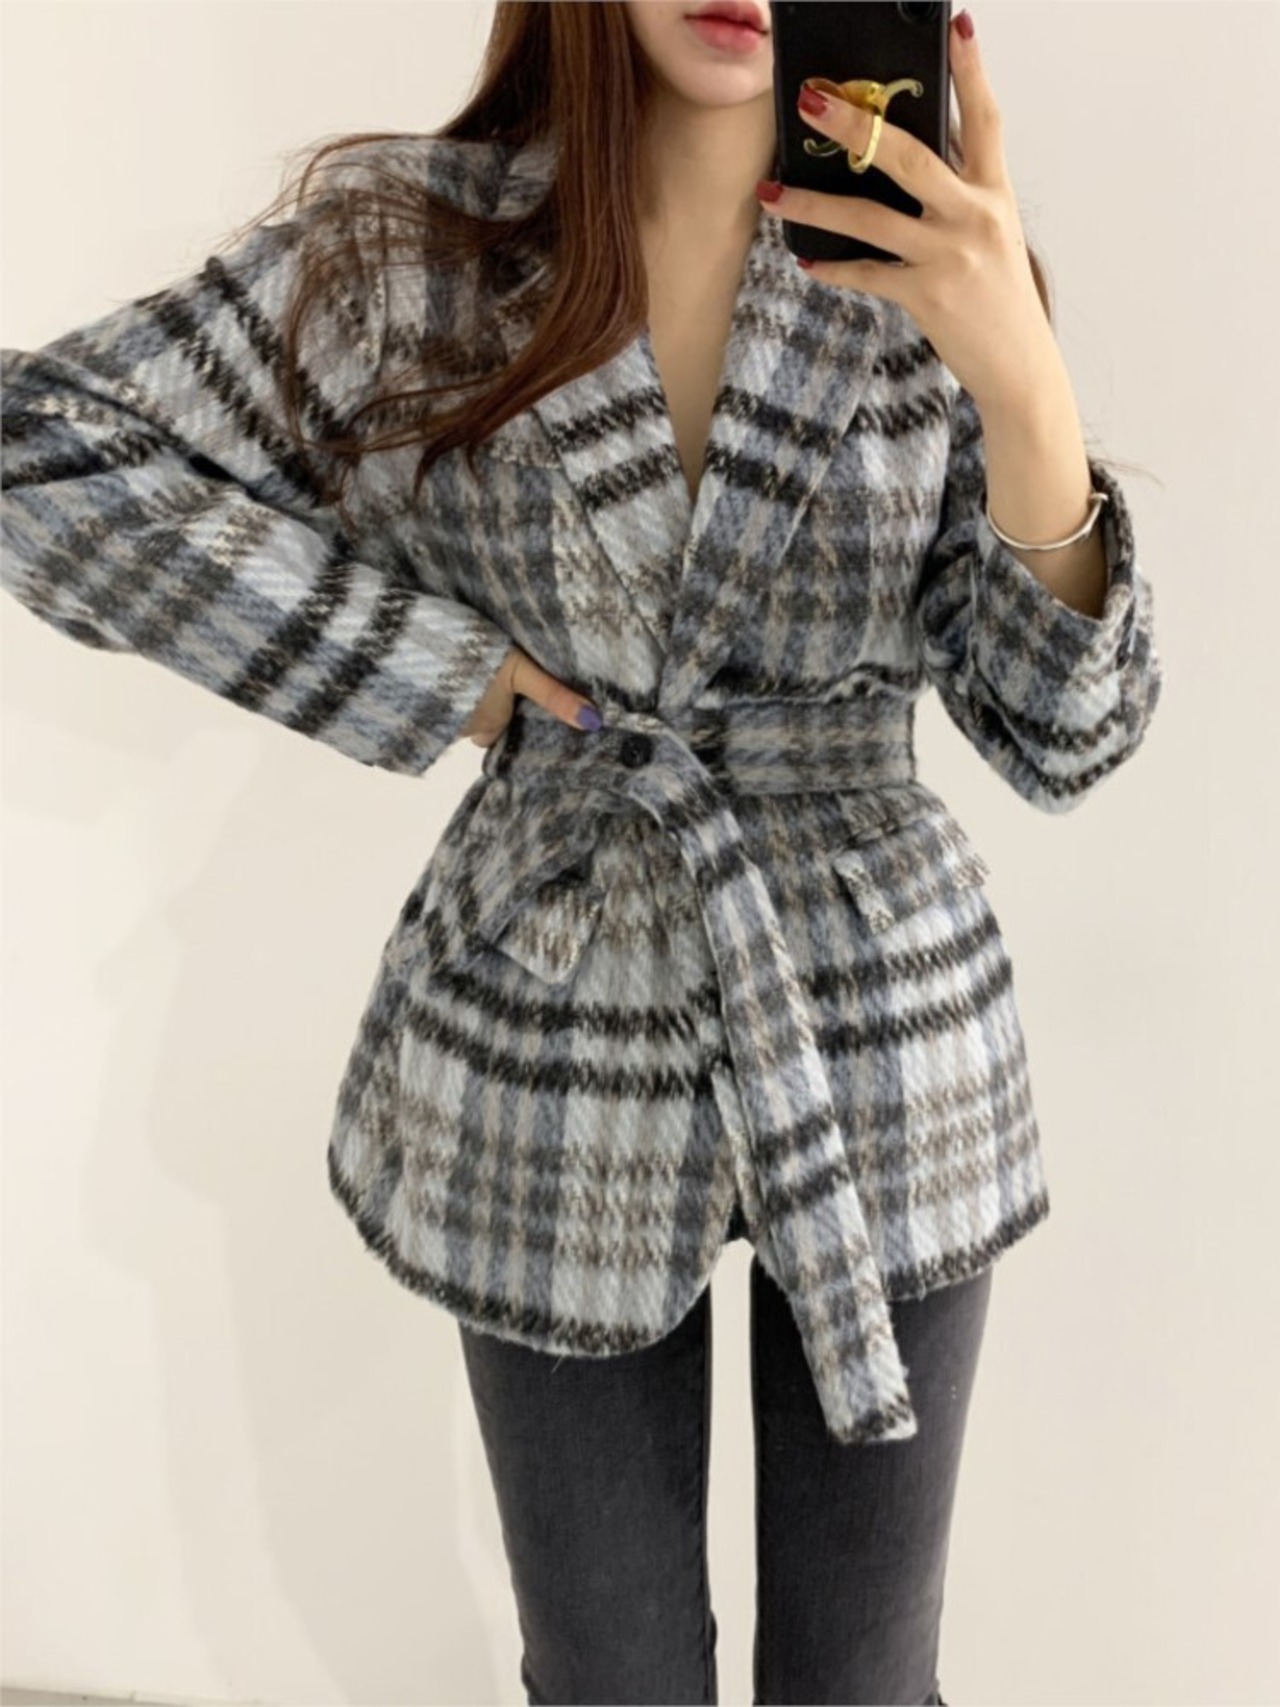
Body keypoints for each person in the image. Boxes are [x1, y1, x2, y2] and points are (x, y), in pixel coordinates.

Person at [1, 3, 1162, 1702]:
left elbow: (1069, 738)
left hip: (887, 1034)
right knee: (608, 1673)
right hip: (551, 1010)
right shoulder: (415, 251)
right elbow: (42, 450)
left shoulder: (931, 256)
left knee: (865, 1677)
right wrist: (436, 673)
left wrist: (1024, 376)